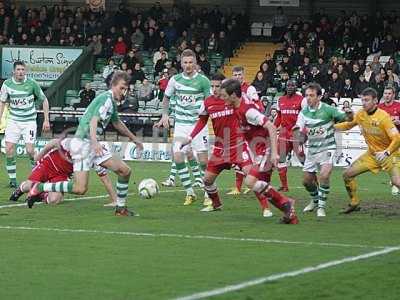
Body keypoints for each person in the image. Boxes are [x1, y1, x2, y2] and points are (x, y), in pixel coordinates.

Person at [28, 71, 144, 217]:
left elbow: (117, 123)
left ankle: (120, 209)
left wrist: (134, 139)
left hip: (92, 145)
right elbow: (94, 119)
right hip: (83, 144)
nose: (124, 91)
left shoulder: (111, 102)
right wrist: (95, 142)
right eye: (121, 87)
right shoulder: (106, 99)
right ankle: (40, 187)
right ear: (113, 85)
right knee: (80, 189)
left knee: (125, 171)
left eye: (125, 88)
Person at [179, 73, 274, 217]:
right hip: (219, 149)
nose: (215, 89)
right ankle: (216, 204)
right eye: (212, 86)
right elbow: (202, 121)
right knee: (207, 180)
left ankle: (265, 207)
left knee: (251, 177)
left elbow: (250, 110)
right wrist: (190, 137)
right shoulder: (207, 102)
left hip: (239, 145)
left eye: (218, 86)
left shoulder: (232, 100)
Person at [219, 79, 298, 224]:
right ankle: (288, 211)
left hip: (266, 148)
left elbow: (271, 127)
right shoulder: (237, 107)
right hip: (258, 150)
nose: (221, 98)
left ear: (233, 96)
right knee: (262, 186)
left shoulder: (247, 111)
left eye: (224, 95)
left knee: (251, 181)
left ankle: (286, 203)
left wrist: (274, 153)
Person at [154, 49, 211, 205]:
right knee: (178, 156)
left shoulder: (203, 81)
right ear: (181, 63)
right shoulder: (175, 80)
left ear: (195, 63)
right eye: (185, 62)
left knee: (204, 161)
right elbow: (166, 98)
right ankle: (190, 192)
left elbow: (210, 102)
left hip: (198, 125)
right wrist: (165, 115)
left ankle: (208, 193)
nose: (188, 65)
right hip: (181, 125)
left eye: (191, 62)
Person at [335, 87, 400, 213]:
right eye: (362, 100)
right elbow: (348, 125)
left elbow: (397, 138)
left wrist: (386, 152)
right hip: (372, 155)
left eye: (367, 100)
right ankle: (354, 203)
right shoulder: (360, 114)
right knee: (347, 175)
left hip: (390, 154)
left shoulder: (383, 117)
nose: (364, 103)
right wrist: (332, 128)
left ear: (375, 101)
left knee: (397, 182)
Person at [294, 83, 350, 217]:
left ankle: (321, 207)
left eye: (312, 95)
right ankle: (315, 200)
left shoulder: (329, 109)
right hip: (312, 150)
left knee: (324, 175)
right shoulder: (303, 112)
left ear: (319, 97)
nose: (308, 98)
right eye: (307, 95)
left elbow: (346, 118)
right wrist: (299, 136)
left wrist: (350, 114)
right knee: (306, 181)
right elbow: (299, 132)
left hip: (328, 147)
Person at [9, 138, 117, 207]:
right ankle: (20, 189)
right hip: (49, 163)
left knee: (54, 200)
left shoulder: (96, 158)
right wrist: (39, 156)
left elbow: (105, 179)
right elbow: (53, 143)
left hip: (62, 174)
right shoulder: (75, 143)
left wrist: (115, 200)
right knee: (29, 185)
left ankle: (40, 194)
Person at [0, 61, 50, 188]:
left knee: (30, 150)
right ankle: (12, 180)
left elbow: (44, 100)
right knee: (9, 148)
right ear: (14, 71)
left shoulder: (32, 83)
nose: (21, 72)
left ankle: (36, 176)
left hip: (29, 122)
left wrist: (46, 119)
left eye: (23, 69)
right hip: (13, 121)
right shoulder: (7, 84)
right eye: (18, 69)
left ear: (25, 71)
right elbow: (2, 102)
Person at [228, 65, 263, 195]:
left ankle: (253, 181)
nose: (238, 77)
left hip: (248, 128)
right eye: (235, 75)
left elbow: (258, 104)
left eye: (239, 75)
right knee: (240, 158)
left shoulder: (249, 88)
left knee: (249, 158)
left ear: (243, 75)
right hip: (236, 127)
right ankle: (238, 187)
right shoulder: (231, 89)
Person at [271, 80, 305, 192]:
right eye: (288, 86)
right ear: (285, 87)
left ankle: (315, 182)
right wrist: (272, 127)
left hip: (296, 133)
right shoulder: (280, 100)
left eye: (292, 86)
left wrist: (303, 133)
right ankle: (284, 186)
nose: (290, 87)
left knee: (303, 159)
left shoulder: (302, 100)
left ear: (296, 87)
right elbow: (279, 117)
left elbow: (306, 117)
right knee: (281, 159)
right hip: (284, 133)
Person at [378, 86, 400, 195]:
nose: (387, 95)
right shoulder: (379, 107)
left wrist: (398, 122)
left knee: (396, 162)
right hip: (384, 140)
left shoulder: (398, 106)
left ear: (393, 95)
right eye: (385, 93)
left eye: (389, 93)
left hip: (397, 138)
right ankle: (394, 181)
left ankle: (395, 183)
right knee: (391, 163)